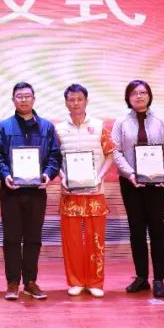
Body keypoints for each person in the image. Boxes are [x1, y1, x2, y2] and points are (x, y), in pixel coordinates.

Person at [0, 82, 61, 301]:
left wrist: (48, 174)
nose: (23, 100)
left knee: (33, 238)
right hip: (11, 190)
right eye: (19, 96)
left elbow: (54, 156)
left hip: (37, 191)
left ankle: (30, 281)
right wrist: (5, 175)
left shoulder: (47, 127)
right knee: (11, 238)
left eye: (27, 96)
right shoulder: (4, 126)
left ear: (34, 99)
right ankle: (12, 282)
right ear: (13, 100)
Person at [110, 80, 164, 298]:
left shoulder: (161, 120)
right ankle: (141, 277)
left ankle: (159, 279)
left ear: (149, 96)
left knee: (157, 229)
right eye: (134, 93)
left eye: (143, 93)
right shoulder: (121, 121)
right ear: (128, 97)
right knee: (136, 230)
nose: (139, 96)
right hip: (131, 183)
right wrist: (130, 174)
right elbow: (115, 151)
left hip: (157, 184)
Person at [55, 84, 115, 298]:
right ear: (66, 103)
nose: (76, 103)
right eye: (71, 100)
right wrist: (62, 177)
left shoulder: (99, 126)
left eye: (79, 99)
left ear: (86, 101)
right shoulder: (58, 130)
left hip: (95, 192)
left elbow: (110, 154)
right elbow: (54, 159)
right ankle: (76, 281)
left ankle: (95, 281)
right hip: (70, 194)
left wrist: (100, 176)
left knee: (95, 239)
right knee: (71, 240)